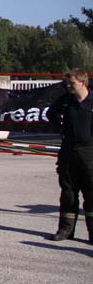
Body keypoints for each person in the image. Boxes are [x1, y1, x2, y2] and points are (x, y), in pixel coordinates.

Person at [46, 68, 93, 243]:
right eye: (67, 83)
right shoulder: (65, 100)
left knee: (91, 193)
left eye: (71, 83)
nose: (68, 86)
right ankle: (65, 230)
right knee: (68, 193)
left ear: (82, 82)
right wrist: (61, 129)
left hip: (89, 152)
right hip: (68, 151)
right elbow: (51, 114)